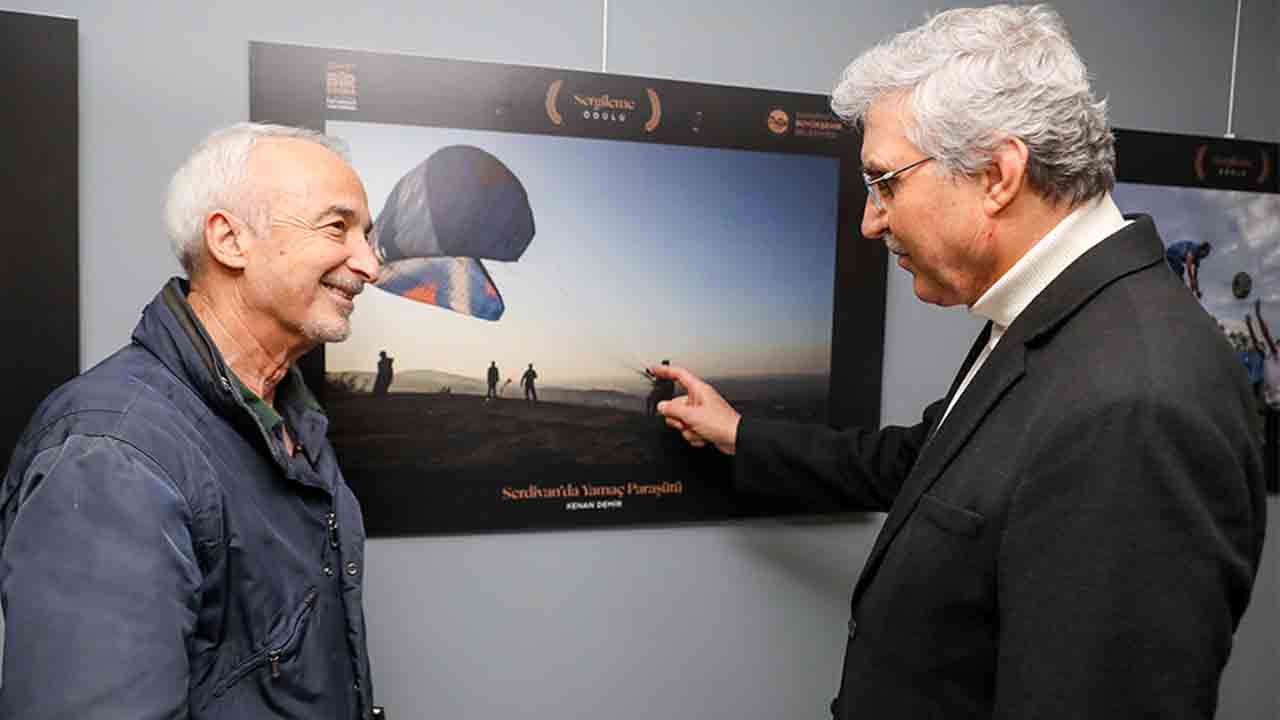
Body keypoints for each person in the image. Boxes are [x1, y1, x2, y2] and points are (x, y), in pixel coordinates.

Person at [653, 6, 1266, 718]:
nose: (871, 219)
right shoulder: (1056, 319)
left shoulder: (1136, 406)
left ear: (998, 174)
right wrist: (738, 434)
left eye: (886, 183)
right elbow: (928, 465)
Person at [0, 123, 385, 718]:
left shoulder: (291, 416)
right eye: (338, 227)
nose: (371, 264)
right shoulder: (112, 455)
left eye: (368, 234)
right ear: (230, 240)